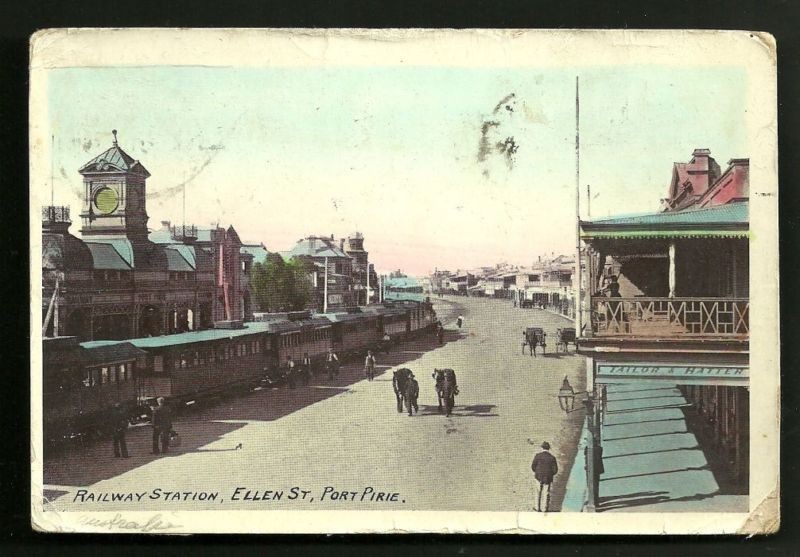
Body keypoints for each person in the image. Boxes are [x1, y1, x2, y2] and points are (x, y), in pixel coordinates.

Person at [531, 441, 559, 512]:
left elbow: (533, 466)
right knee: (546, 493)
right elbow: (555, 470)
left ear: (542, 448)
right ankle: (544, 508)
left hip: (538, 476)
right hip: (547, 478)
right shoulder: (552, 458)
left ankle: (537, 507)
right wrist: (550, 474)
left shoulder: (538, 456)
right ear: (549, 448)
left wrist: (536, 472)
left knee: (538, 492)